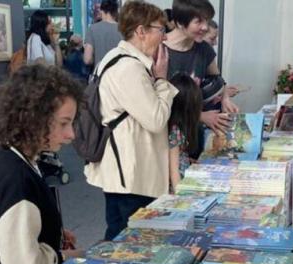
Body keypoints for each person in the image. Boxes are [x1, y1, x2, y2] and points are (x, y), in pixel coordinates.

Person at [0, 65, 84, 264]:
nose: (71, 134)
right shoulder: (19, 180)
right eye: (63, 124)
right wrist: (63, 257)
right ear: (33, 119)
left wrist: (50, 229)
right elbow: (24, 263)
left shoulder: (7, 155)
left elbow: (10, 223)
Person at [85, 1, 178, 240]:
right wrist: (162, 81)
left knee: (121, 235)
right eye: (161, 30)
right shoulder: (128, 68)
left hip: (127, 170)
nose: (164, 37)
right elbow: (156, 119)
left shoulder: (117, 59)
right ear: (141, 31)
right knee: (128, 240)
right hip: (131, 173)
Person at [165, 0, 238, 136]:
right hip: (166, 134)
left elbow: (217, 80)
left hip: (193, 132)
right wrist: (201, 116)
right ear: (180, 23)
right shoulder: (159, 50)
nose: (205, 27)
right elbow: (156, 102)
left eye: (207, 21)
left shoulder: (204, 49)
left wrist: (225, 98)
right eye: (198, 22)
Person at [168, 73, 203, 191]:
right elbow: (174, 171)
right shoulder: (175, 130)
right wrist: (180, 199)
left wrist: (187, 161)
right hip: (177, 187)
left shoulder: (171, 126)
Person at [84, 0, 121, 72]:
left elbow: (87, 60)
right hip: (119, 77)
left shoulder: (92, 29)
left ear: (101, 11)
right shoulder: (124, 30)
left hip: (100, 76)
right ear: (116, 12)